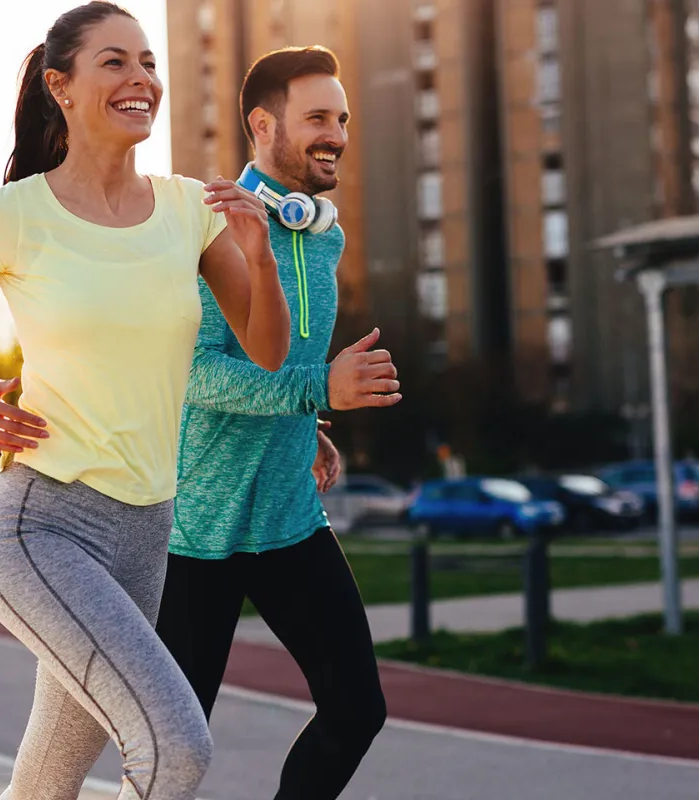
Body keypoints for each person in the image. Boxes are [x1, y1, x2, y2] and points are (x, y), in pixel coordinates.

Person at [0, 4, 289, 800]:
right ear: (62, 86)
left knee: (46, 784)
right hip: (38, 524)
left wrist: (260, 257)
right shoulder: (12, 216)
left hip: (146, 532)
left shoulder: (190, 210)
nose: (141, 79)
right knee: (174, 747)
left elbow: (268, 350)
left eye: (148, 62)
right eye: (114, 62)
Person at [155, 46, 400, 800]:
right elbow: (194, 375)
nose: (338, 134)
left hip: (291, 516)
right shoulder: (206, 227)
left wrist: (310, 421)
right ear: (263, 125)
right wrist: (316, 388)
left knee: (358, 709)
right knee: (176, 745)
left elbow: (281, 361)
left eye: (343, 118)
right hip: (198, 529)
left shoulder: (325, 233)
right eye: (318, 118)